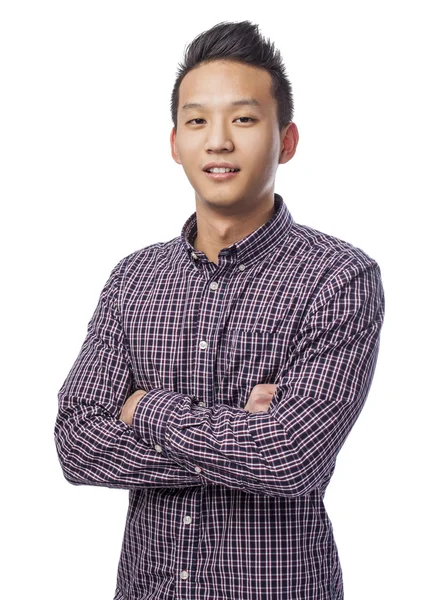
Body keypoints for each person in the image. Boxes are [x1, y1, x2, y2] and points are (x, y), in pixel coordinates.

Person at [54, 20, 385, 600]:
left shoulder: (338, 278)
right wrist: (243, 442)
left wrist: (143, 409)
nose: (219, 141)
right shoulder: (135, 280)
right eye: (198, 120)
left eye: (244, 118)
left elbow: (289, 460)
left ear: (287, 141)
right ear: (175, 141)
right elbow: (76, 443)